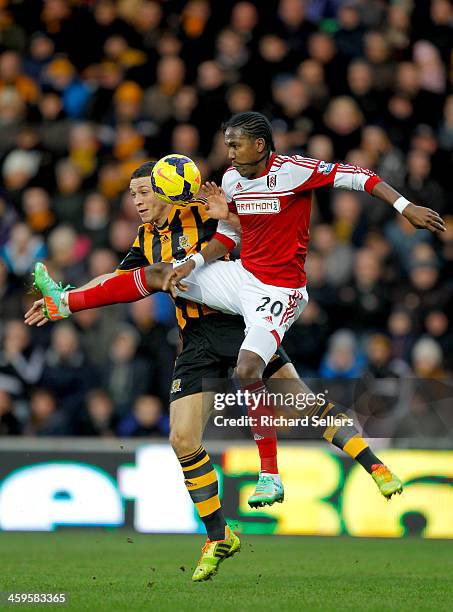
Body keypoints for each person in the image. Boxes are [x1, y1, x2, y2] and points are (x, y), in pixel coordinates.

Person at [28, 119, 444, 572]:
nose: (139, 202)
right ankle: (219, 536)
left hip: (246, 313)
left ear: (169, 189)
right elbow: (122, 280)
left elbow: (263, 219)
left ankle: (352, 466)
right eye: (134, 195)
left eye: (145, 192)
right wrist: (66, 298)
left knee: (298, 403)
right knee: (181, 432)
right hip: (204, 329)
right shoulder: (156, 233)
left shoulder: (213, 205)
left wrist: (404, 206)